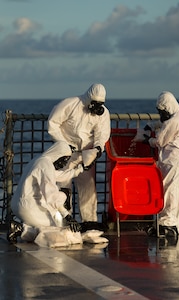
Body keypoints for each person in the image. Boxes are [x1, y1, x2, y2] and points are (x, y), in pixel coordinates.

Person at [47, 83, 111, 231]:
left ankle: (89, 222)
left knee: (88, 188)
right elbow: (53, 123)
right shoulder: (70, 104)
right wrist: (62, 144)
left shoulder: (104, 114)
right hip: (65, 154)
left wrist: (97, 148)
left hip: (85, 155)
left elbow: (102, 133)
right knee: (63, 187)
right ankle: (63, 222)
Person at [8, 141, 84, 244]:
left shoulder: (39, 160)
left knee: (61, 195)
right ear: (57, 154)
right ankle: (20, 229)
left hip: (19, 204)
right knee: (53, 229)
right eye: (64, 159)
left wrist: (79, 170)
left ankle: (25, 225)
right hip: (28, 207)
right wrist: (67, 216)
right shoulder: (45, 164)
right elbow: (51, 195)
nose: (64, 164)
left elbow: (58, 175)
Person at [143, 91, 179, 237]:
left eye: (162, 111)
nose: (161, 114)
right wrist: (153, 125)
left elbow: (160, 141)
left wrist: (146, 140)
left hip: (173, 160)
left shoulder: (173, 121)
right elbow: (165, 124)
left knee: (169, 190)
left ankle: (167, 222)